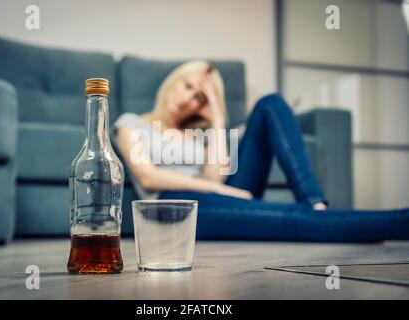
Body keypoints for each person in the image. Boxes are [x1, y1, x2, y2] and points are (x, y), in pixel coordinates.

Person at [114, 60, 409, 242]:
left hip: (218, 193)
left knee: (270, 103)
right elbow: (148, 177)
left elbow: (217, 179)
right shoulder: (131, 123)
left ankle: (315, 203)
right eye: (187, 86)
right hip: (179, 208)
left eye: (198, 97)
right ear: (173, 81)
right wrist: (216, 190)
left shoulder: (199, 134)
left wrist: (217, 117)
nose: (188, 99)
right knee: (291, 219)